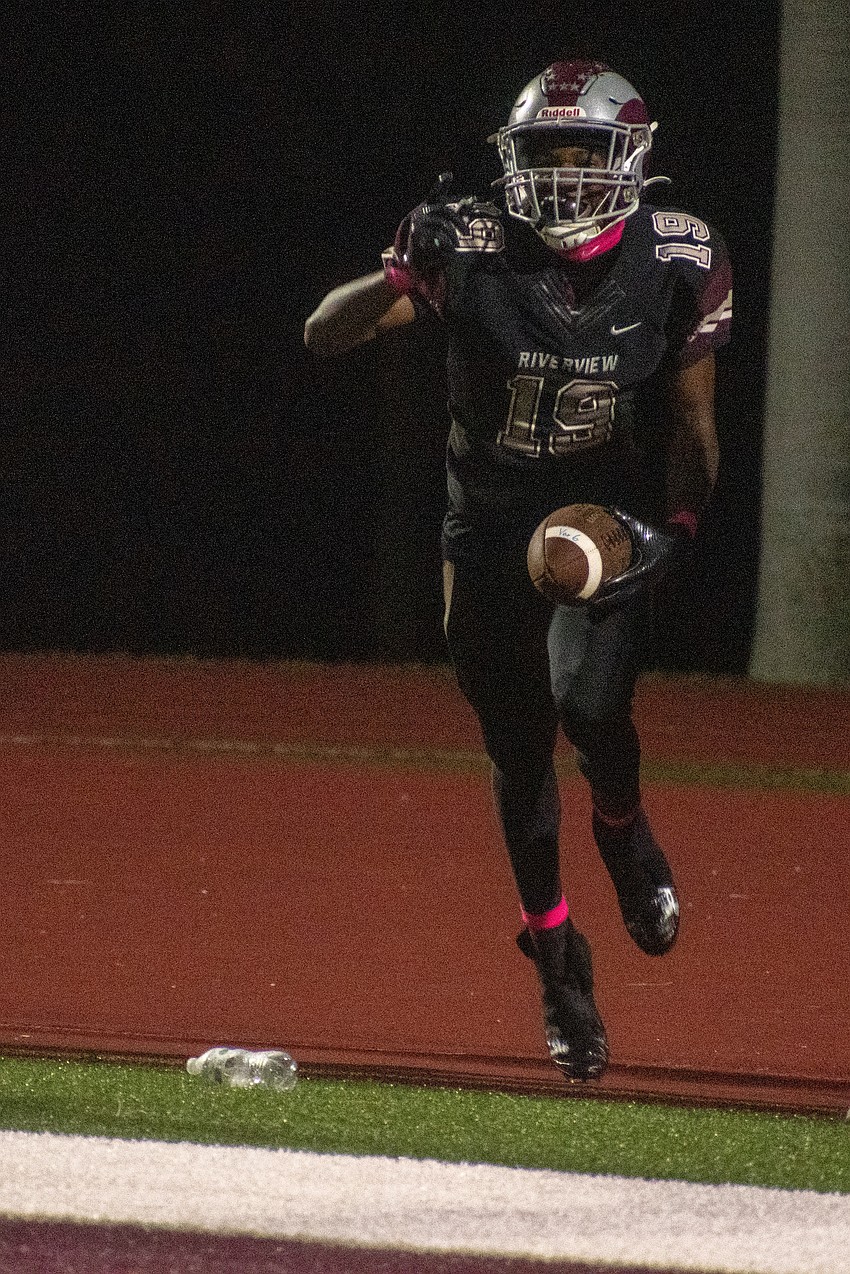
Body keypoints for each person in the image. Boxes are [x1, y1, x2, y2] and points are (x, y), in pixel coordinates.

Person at [304, 59, 732, 1082]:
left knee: (594, 711)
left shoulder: (679, 255)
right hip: (491, 530)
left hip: (594, 522)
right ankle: (555, 954)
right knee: (517, 751)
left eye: (586, 156)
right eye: (547, 157)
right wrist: (399, 277)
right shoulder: (478, 252)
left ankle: (623, 833)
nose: (566, 180)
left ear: (631, 160)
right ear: (514, 164)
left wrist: (672, 526)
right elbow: (325, 331)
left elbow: (692, 427)